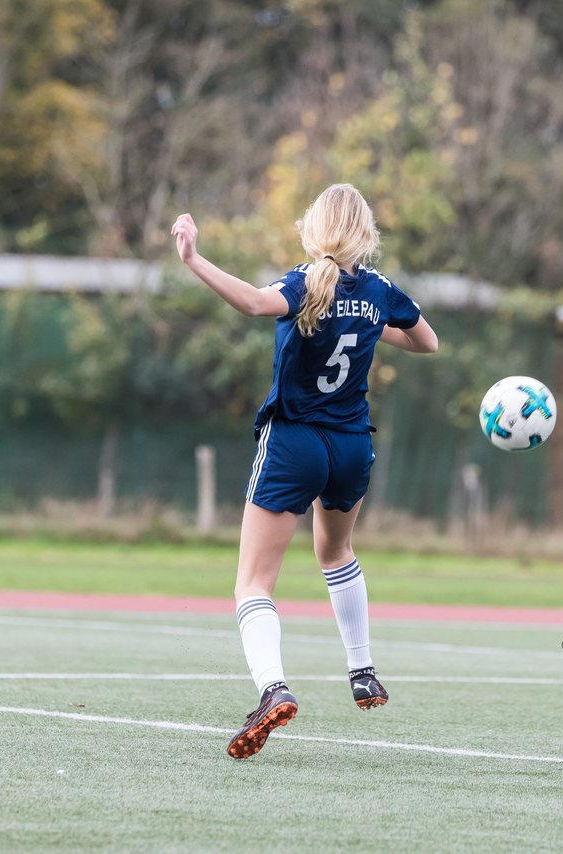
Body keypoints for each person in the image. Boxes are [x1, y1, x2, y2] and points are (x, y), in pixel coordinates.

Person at [170, 184, 439, 759]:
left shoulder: (302, 282)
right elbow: (427, 341)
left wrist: (194, 259)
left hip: (295, 442)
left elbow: (250, 302)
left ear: (314, 229)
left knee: (253, 582)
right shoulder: (379, 291)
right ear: (366, 234)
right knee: (335, 553)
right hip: (350, 446)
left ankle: (273, 689)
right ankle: (362, 669)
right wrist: (371, 328)